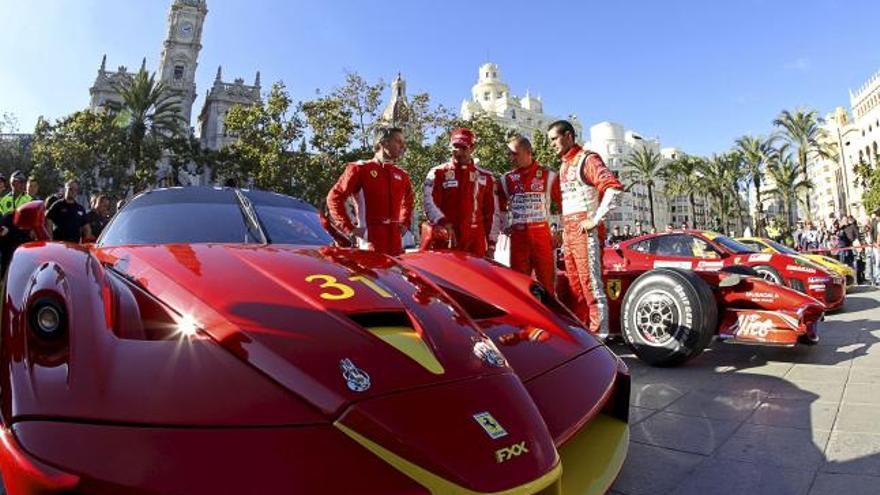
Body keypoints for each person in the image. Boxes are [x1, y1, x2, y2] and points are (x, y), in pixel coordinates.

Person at [548, 120, 623, 338]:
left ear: (569, 136)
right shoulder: (563, 166)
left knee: (591, 287)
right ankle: (584, 338)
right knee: (575, 289)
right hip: (569, 232)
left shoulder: (587, 158)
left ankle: (600, 338)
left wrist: (596, 219)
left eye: (554, 139)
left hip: (585, 231)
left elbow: (613, 188)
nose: (552, 144)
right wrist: (562, 231)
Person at [326, 127, 414, 256]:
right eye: (398, 141)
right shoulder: (360, 169)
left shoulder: (402, 175)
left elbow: (409, 201)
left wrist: (404, 224)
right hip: (369, 243)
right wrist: (349, 229)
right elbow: (334, 197)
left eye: (403, 142)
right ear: (383, 143)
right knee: (372, 276)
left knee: (396, 276)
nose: (402, 146)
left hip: (395, 244)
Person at [496, 135, 561, 292]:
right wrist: (505, 226)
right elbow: (499, 207)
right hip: (519, 239)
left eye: (514, 154)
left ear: (528, 152)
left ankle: (548, 315)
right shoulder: (506, 179)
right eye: (508, 154)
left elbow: (562, 203)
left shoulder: (549, 175)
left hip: (542, 237)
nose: (510, 158)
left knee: (547, 285)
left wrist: (560, 231)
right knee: (519, 284)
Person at [422, 128, 497, 257]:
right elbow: (429, 202)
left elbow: (493, 213)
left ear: (473, 148)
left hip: (475, 240)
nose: (459, 152)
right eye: (455, 147)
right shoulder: (437, 173)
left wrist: (491, 244)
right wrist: (443, 222)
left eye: (464, 147)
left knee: (476, 276)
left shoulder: (487, 177)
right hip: (448, 236)